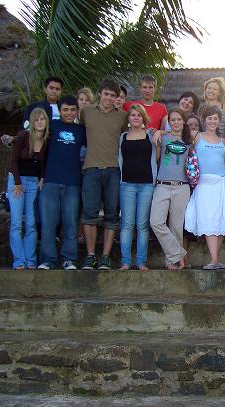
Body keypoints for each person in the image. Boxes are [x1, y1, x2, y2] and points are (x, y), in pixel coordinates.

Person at [80, 79, 128, 270]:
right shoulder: (86, 112)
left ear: (117, 98)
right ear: (99, 93)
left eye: (113, 95)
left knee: (112, 213)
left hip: (114, 169)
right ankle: (90, 256)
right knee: (89, 213)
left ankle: (105, 257)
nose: (109, 98)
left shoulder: (122, 116)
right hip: (91, 168)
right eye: (106, 94)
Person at [37, 96, 85, 270]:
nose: (69, 113)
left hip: (73, 183)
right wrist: (41, 176)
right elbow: (37, 146)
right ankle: (47, 260)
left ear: (77, 111)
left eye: (73, 110)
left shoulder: (81, 130)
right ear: (59, 110)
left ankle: (69, 259)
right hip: (51, 181)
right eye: (65, 110)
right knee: (48, 224)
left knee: (71, 223)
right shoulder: (51, 127)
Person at [185, 106, 225, 269]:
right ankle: (214, 260)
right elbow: (177, 132)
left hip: (223, 182)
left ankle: (215, 260)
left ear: (219, 121)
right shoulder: (196, 136)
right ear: (204, 120)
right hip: (204, 184)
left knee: (222, 221)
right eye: (209, 118)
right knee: (209, 220)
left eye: (215, 118)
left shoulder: (223, 141)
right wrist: (159, 132)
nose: (212, 121)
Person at [150, 109, 191, 270]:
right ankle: (179, 254)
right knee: (156, 222)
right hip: (162, 185)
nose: (176, 122)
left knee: (176, 226)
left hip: (182, 187)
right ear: (169, 122)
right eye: (172, 120)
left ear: (184, 121)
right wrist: (159, 131)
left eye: (179, 119)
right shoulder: (162, 137)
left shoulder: (190, 141)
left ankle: (171, 262)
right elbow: (155, 157)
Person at [8, 108, 48, 269]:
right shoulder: (23, 136)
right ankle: (19, 260)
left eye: (42, 119)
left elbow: (44, 164)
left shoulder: (46, 140)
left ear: (46, 122)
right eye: (36, 119)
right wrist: (17, 182)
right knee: (17, 223)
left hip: (33, 183)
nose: (40, 122)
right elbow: (13, 160)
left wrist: (42, 178)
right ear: (32, 122)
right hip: (17, 181)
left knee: (31, 223)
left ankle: (30, 260)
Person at [118, 104, 158, 271]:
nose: (135, 117)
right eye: (133, 115)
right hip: (127, 184)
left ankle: (141, 262)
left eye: (139, 115)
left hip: (147, 185)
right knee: (127, 224)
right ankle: (126, 262)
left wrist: (160, 132)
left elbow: (160, 148)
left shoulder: (151, 135)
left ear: (143, 118)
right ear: (128, 118)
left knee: (142, 225)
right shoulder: (122, 137)